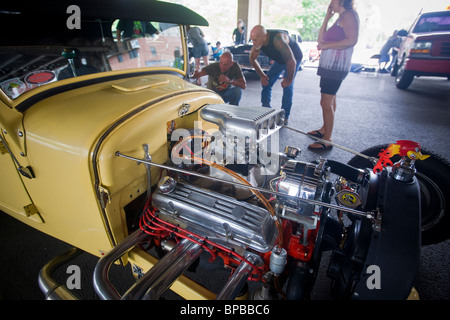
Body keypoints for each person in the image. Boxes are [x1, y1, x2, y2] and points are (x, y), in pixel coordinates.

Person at [307, 0, 359, 150]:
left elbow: (352, 40)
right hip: (329, 65)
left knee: (325, 102)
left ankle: (327, 138)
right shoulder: (340, 17)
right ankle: (325, 130)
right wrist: (326, 18)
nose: (330, 2)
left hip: (336, 66)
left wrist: (326, 46)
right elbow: (320, 40)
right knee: (330, 100)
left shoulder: (350, 15)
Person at [249, 25, 303, 125]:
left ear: (264, 38)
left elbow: (291, 62)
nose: (254, 43)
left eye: (255, 40)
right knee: (266, 82)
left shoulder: (278, 40)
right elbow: (252, 59)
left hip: (293, 59)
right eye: (252, 40)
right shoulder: (258, 43)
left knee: (287, 87)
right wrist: (262, 75)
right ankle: (266, 110)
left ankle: (284, 117)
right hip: (280, 60)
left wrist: (289, 80)